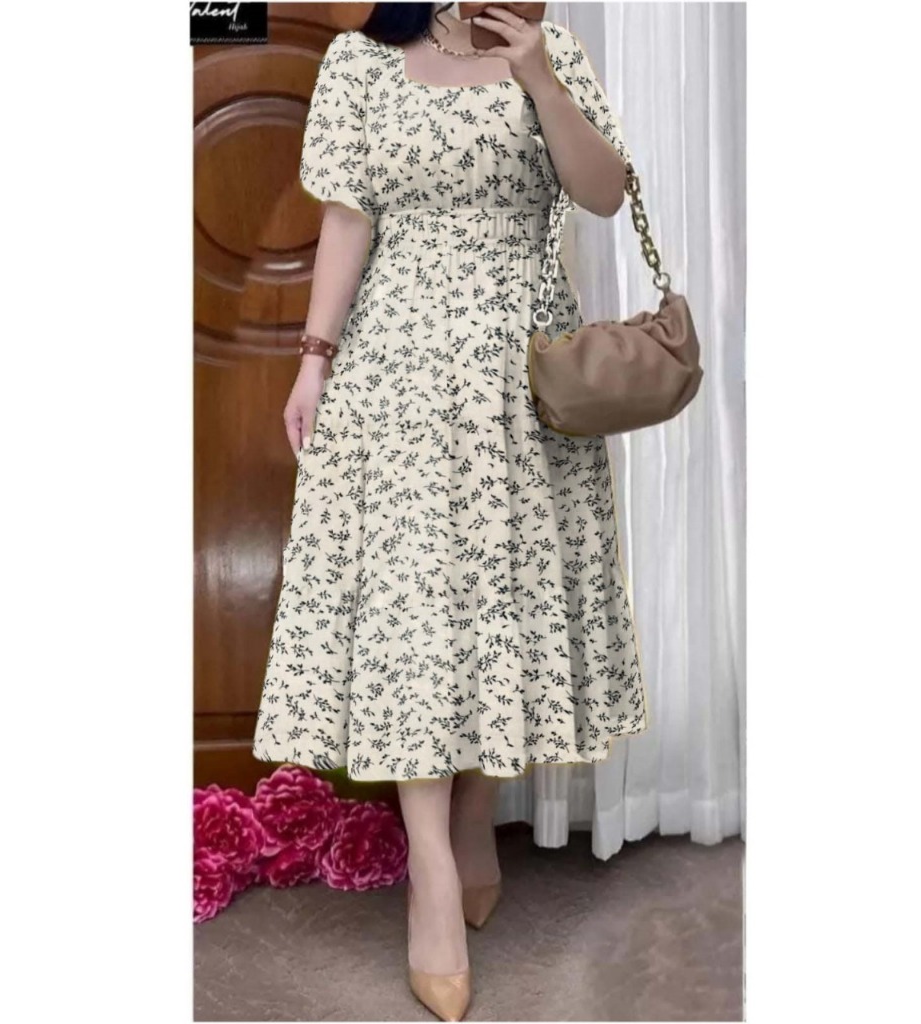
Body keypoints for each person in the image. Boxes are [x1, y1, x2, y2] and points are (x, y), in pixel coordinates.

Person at [252, 3, 649, 1019]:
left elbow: (604, 193)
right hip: (397, 371)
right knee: (414, 615)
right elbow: (349, 220)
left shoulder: (550, 52)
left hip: (523, 376)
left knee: (499, 600)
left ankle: (476, 809)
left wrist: (540, 79)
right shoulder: (359, 62)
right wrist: (314, 361)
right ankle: (430, 869)